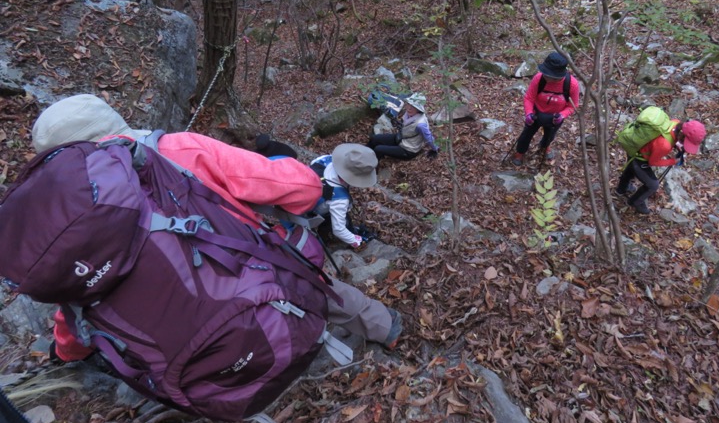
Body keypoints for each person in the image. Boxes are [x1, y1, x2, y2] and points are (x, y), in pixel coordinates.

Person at [30, 94, 403, 361]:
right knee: (320, 288)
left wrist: (65, 351)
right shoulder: (179, 149)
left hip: (171, 335)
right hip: (249, 274)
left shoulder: (64, 219)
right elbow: (303, 189)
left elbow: (75, 306)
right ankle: (386, 328)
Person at [615, 119, 706, 214]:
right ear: (682, 135)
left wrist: (676, 145)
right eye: (685, 142)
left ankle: (621, 189)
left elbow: (665, 137)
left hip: (635, 148)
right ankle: (635, 202)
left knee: (631, 168)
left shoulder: (675, 122)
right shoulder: (664, 145)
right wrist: (673, 161)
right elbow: (653, 162)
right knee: (653, 185)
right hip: (639, 158)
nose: (684, 145)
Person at [511, 52, 580, 166]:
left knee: (549, 136)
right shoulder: (539, 78)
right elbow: (529, 97)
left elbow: (573, 105)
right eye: (545, 73)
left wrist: (562, 115)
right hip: (536, 113)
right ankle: (520, 152)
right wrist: (528, 113)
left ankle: (545, 146)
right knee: (526, 134)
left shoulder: (571, 84)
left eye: (550, 75)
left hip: (555, 117)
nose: (546, 76)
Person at [310, 144, 377, 249]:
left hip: (305, 197)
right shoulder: (340, 199)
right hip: (310, 212)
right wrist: (356, 241)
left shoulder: (323, 160)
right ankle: (321, 240)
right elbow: (339, 230)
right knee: (334, 219)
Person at [367, 93, 439, 160]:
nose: (409, 108)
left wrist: (435, 149)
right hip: (400, 138)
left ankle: (369, 168)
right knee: (374, 138)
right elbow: (403, 124)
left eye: (413, 106)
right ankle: (363, 153)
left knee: (378, 149)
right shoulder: (409, 114)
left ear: (418, 109)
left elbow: (428, 137)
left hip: (408, 149)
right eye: (409, 104)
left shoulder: (421, 124)